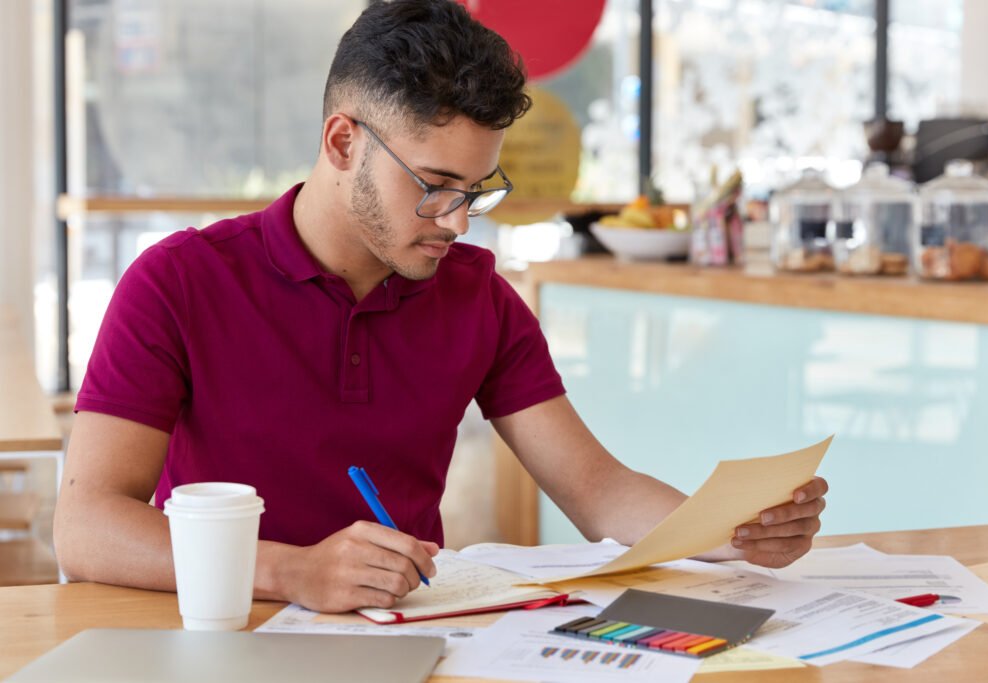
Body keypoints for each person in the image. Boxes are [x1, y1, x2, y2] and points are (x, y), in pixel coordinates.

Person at [54, 0, 828, 614]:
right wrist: (294, 571)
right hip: (222, 637)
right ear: (342, 142)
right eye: (432, 186)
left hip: (411, 637)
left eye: (476, 191)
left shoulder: (477, 297)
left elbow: (595, 487)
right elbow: (86, 525)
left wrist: (728, 534)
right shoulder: (177, 283)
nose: (456, 221)